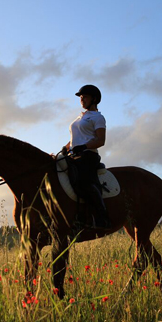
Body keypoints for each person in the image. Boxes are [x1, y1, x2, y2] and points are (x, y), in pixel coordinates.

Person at [63, 84, 111, 229]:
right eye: (80, 98)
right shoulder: (80, 117)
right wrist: (65, 149)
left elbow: (100, 141)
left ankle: (102, 217)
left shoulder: (98, 117)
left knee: (83, 182)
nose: (81, 99)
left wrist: (84, 147)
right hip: (74, 155)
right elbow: (75, 139)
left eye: (84, 97)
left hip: (88, 156)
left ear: (94, 99)